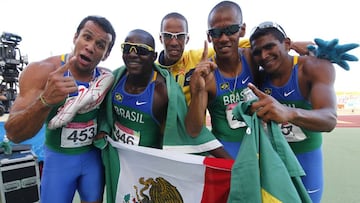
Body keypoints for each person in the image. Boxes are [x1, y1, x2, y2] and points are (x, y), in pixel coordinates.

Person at [94, 29, 231, 203]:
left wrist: (231, 164)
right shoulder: (116, 79)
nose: (132, 54)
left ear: (153, 56)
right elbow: (102, 112)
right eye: (127, 48)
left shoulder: (163, 91)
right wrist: (104, 130)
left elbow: (188, 131)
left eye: (141, 50)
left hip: (148, 166)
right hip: (121, 161)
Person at [4, 15, 116, 203]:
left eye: (100, 44)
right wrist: (45, 100)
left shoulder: (105, 80)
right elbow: (14, 134)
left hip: (92, 160)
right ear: (75, 37)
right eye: (87, 37)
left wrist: (104, 129)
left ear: (105, 54)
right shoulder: (42, 71)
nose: (90, 47)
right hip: (58, 162)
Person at [247, 21, 337, 203]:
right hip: (271, 162)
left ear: (287, 44)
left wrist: (290, 113)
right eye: (257, 52)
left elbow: (329, 119)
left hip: (307, 162)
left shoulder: (313, 67)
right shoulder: (258, 76)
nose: (264, 56)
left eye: (270, 47)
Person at [185, 1, 258, 159]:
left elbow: (283, 61)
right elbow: (193, 130)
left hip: (259, 150)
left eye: (230, 30)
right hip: (224, 155)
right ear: (209, 37)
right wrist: (197, 91)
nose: (224, 38)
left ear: (242, 30)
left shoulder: (252, 59)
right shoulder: (207, 75)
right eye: (217, 32)